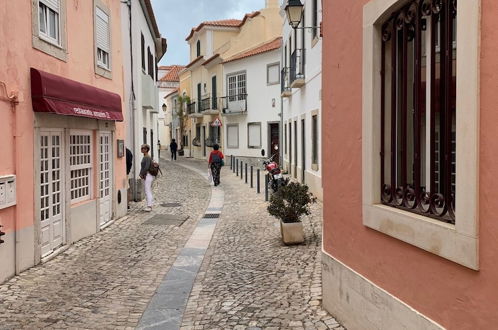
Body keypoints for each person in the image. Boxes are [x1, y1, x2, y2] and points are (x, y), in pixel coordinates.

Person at [139, 144, 154, 212]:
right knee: (148, 190)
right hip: (147, 175)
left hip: (148, 175)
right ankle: (149, 205)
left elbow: (146, 167)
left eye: (143, 148)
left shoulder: (147, 157)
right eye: (141, 148)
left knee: (147, 190)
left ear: (146, 149)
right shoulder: (145, 156)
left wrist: (142, 174)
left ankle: (149, 206)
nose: (141, 149)